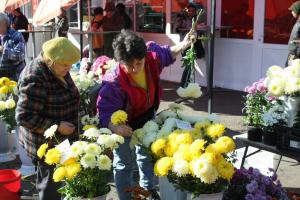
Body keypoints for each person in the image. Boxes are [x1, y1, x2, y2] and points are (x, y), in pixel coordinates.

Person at [97, 29, 195, 200]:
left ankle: (148, 190)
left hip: (146, 115)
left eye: (139, 63)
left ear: (144, 56)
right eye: (129, 65)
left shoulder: (151, 57)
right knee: (123, 163)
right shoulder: (113, 82)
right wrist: (115, 127)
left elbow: (167, 53)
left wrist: (184, 44)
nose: (135, 68)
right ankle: (126, 197)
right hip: (123, 124)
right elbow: (104, 111)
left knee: (146, 155)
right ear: (121, 62)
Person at [15, 37, 80, 200]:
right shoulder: (35, 77)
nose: (69, 68)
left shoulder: (56, 68)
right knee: (50, 188)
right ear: (50, 60)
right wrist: (57, 126)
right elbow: (23, 116)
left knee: (64, 183)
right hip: (46, 143)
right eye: (65, 65)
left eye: (70, 64)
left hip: (62, 140)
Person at [175, 3, 206, 87]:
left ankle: (187, 84)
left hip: (194, 44)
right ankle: (183, 84)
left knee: (191, 64)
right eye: (189, 11)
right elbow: (177, 28)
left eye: (193, 11)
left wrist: (200, 29)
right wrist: (192, 28)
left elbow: (199, 32)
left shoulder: (196, 19)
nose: (191, 12)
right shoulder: (181, 18)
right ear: (186, 10)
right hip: (185, 44)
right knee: (189, 64)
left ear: (195, 12)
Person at [0, 12, 25, 80]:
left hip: (14, 77)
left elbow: (21, 55)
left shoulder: (16, 35)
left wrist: (4, 50)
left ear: (5, 23)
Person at [286, 1, 300, 66]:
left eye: (293, 10)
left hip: (294, 54)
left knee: (289, 70)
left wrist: (293, 54)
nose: (291, 12)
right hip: (293, 53)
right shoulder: (297, 23)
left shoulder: (299, 25)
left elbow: (296, 41)